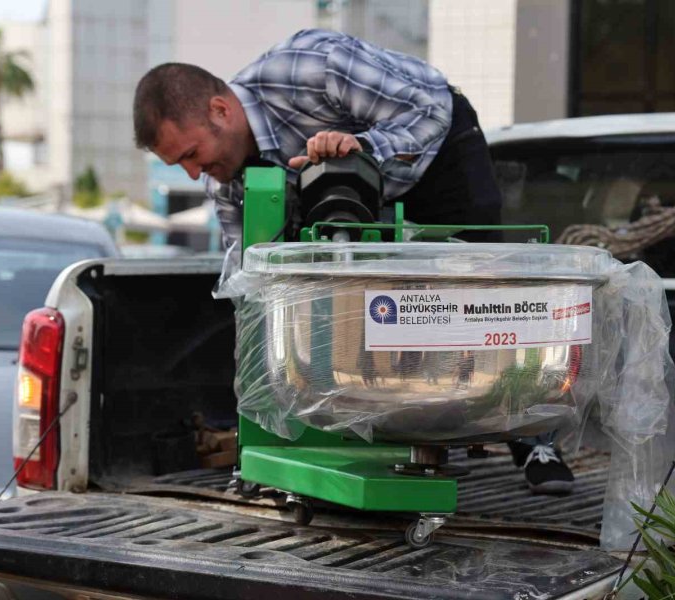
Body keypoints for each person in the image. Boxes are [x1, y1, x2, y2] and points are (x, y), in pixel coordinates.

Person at [132, 28, 574, 494]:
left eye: (191, 154)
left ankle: (534, 437)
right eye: (179, 165)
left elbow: (428, 111)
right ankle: (382, 429)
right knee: (370, 313)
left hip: (435, 153)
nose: (193, 173)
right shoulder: (224, 184)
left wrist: (362, 152)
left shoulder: (309, 68)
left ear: (220, 111)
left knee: (478, 292)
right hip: (350, 197)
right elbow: (252, 291)